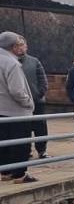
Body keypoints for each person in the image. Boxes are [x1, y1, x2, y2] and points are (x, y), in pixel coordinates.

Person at [0, 31, 36, 183]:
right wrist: (28, 103)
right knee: (20, 143)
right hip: (16, 111)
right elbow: (17, 90)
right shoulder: (12, 63)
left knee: (4, 143)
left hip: (2, 110)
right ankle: (19, 174)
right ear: (13, 47)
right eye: (20, 45)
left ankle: (5, 172)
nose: (23, 47)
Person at [17, 37, 49, 159]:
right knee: (23, 129)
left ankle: (42, 150)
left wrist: (37, 94)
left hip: (37, 101)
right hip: (18, 104)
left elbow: (43, 82)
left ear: (26, 46)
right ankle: (26, 151)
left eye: (22, 44)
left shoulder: (34, 61)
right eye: (18, 45)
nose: (20, 47)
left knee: (40, 127)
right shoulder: (10, 62)